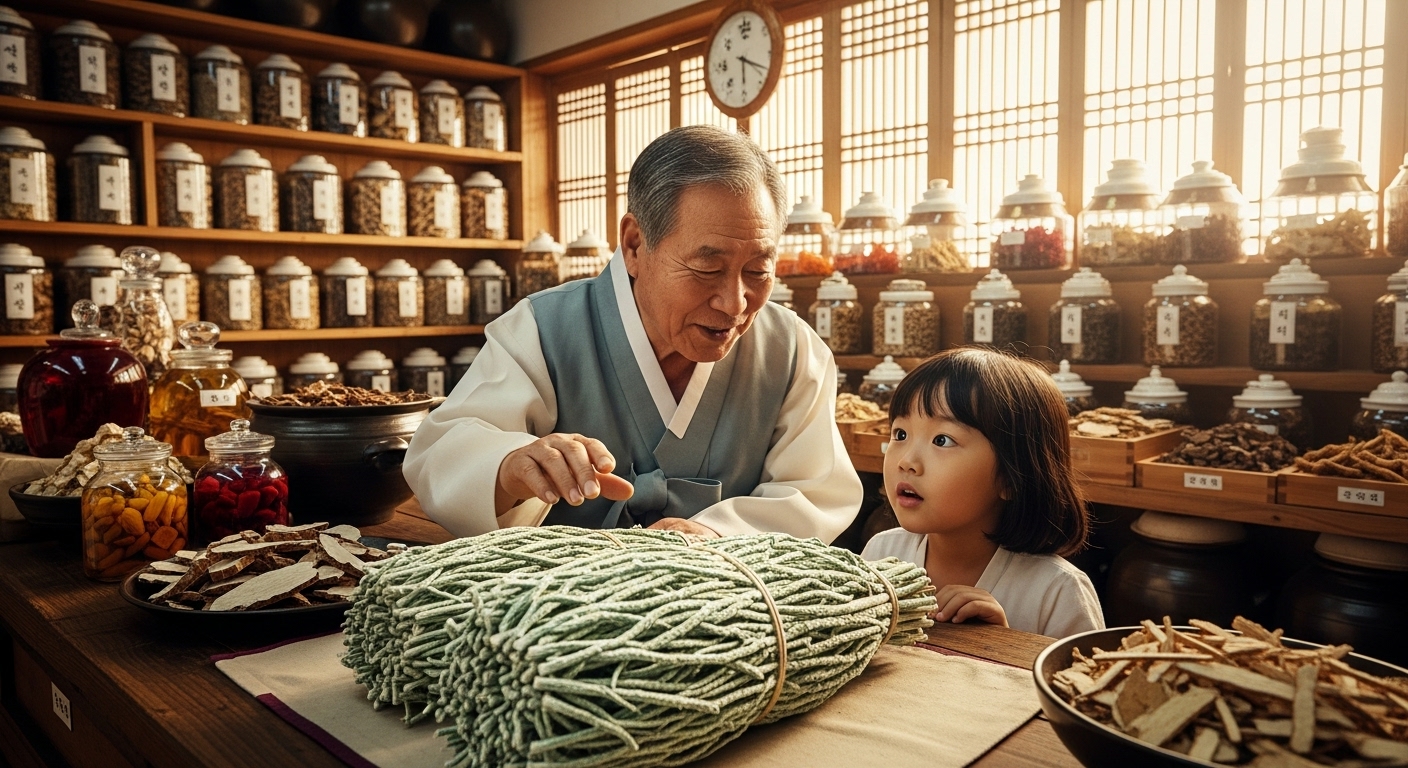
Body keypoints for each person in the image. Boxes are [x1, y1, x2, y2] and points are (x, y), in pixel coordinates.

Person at [404, 126, 862, 540]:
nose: (735, 302)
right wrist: (510, 466)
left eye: (758, 270)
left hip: (725, 617)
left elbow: (816, 493)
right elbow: (441, 454)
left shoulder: (792, 351)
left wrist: (718, 534)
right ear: (635, 245)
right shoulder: (543, 328)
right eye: (708, 267)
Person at [861, 347, 1104, 637]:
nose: (907, 461)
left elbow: (1078, 681)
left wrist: (1000, 643)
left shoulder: (1057, 591)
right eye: (900, 434)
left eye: (942, 440)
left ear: (1011, 478)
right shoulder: (882, 553)